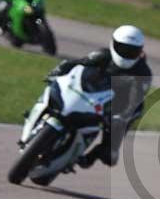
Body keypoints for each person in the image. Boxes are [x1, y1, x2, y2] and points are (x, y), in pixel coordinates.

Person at [47, 25, 152, 168]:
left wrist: (121, 116)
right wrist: (59, 70)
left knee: (109, 156)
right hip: (96, 91)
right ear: (113, 44)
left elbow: (135, 98)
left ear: (140, 51)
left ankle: (91, 155)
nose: (126, 54)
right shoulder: (103, 55)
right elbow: (77, 63)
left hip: (121, 104)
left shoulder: (143, 73)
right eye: (123, 48)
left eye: (131, 51)